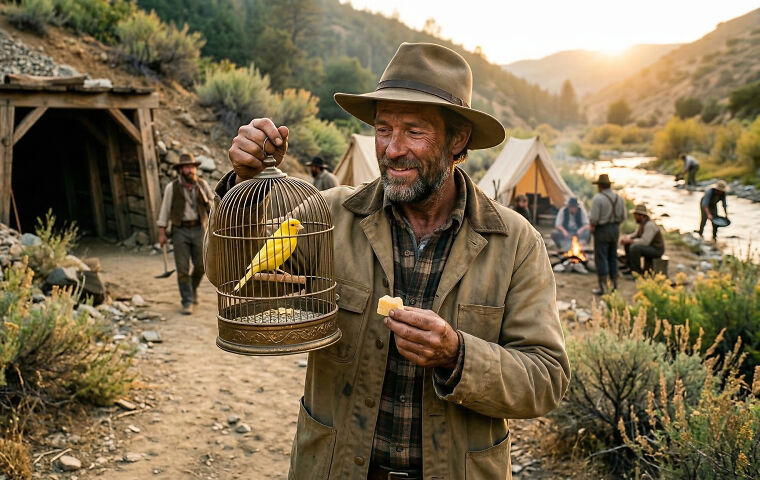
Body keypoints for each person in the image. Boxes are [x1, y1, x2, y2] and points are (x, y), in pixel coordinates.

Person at [207, 42, 569, 480]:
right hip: (337, 467)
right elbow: (231, 273)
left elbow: (546, 377)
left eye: (414, 131)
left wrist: (457, 355)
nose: (392, 149)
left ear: (458, 140)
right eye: (383, 130)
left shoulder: (514, 243)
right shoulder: (329, 216)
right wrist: (248, 185)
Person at [157, 153, 214, 315]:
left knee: (201, 266)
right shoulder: (172, 187)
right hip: (180, 230)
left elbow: (213, 207)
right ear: (181, 170)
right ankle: (187, 301)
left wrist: (206, 199)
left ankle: (192, 288)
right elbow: (165, 210)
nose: (191, 170)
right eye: (187, 167)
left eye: (192, 167)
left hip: (199, 229)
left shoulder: (202, 185)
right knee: (182, 269)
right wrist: (162, 232)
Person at [589, 174, 626, 295]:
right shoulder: (619, 198)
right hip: (615, 229)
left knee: (601, 257)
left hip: (602, 230)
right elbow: (623, 217)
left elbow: (594, 218)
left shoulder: (598, 198)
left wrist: (592, 229)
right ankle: (614, 285)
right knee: (613, 257)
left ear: (600, 186)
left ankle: (603, 287)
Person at [619, 204, 665, 275]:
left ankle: (637, 272)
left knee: (635, 248)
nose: (634, 217)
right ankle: (629, 267)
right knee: (628, 244)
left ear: (641, 216)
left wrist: (631, 241)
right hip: (650, 247)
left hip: (656, 250)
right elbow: (636, 234)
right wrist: (627, 238)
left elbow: (645, 241)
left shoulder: (649, 225)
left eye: (636, 215)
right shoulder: (643, 223)